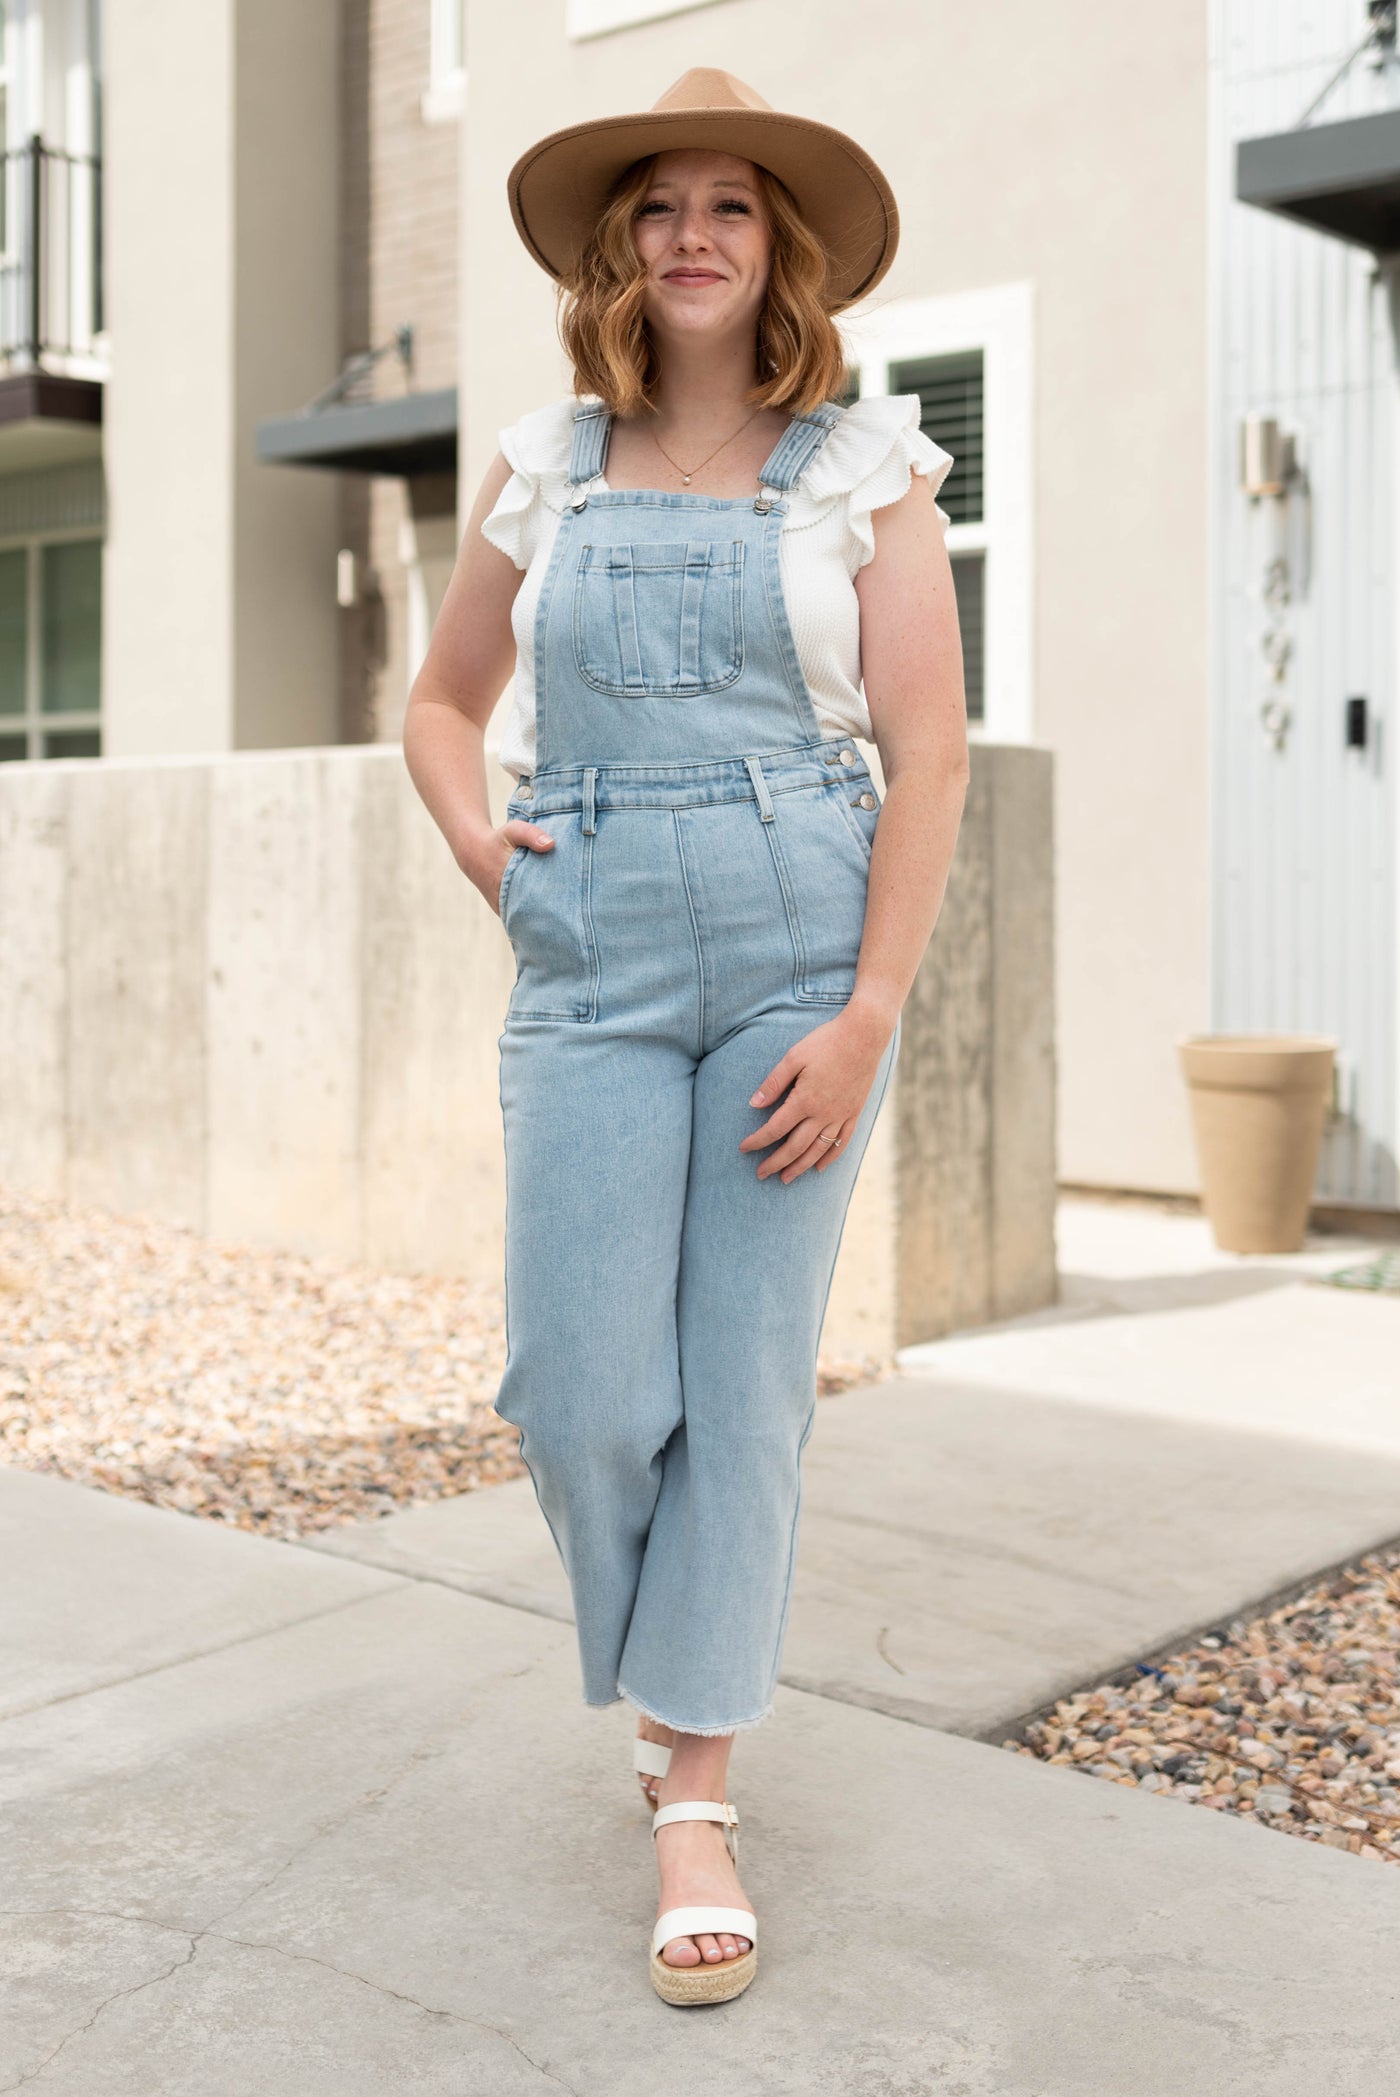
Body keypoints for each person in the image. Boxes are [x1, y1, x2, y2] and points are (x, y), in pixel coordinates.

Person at [403, 65, 969, 2006]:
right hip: (594, 956)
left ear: (776, 247)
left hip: (803, 944)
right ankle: (686, 1673)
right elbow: (442, 705)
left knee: (742, 1386)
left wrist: (871, 1001)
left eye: (731, 203)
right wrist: (498, 853)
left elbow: (929, 753)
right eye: (660, 204)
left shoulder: (864, 472)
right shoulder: (544, 466)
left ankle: (694, 1787)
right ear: (619, 251)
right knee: (578, 1388)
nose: (695, 232)